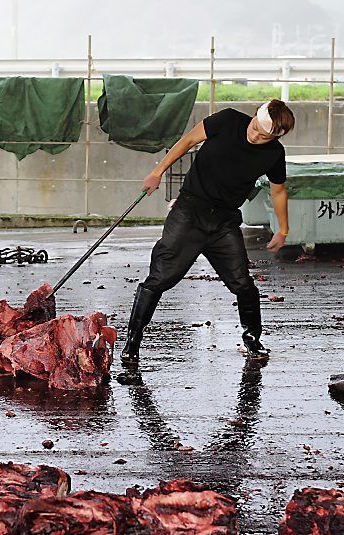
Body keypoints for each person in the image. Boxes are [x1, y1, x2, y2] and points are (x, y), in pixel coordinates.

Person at [121, 100, 295, 365]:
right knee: (161, 277)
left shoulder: (273, 154)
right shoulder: (226, 121)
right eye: (256, 127)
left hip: (224, 222)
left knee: (242, 282)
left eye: (264, 136)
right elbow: (188, 141)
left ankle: (252, 338)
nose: (256, 135)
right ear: (254, 116)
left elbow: (278, 189)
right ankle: (133, 340)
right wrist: (157, 172)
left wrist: (283, 229)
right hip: (189, 211)